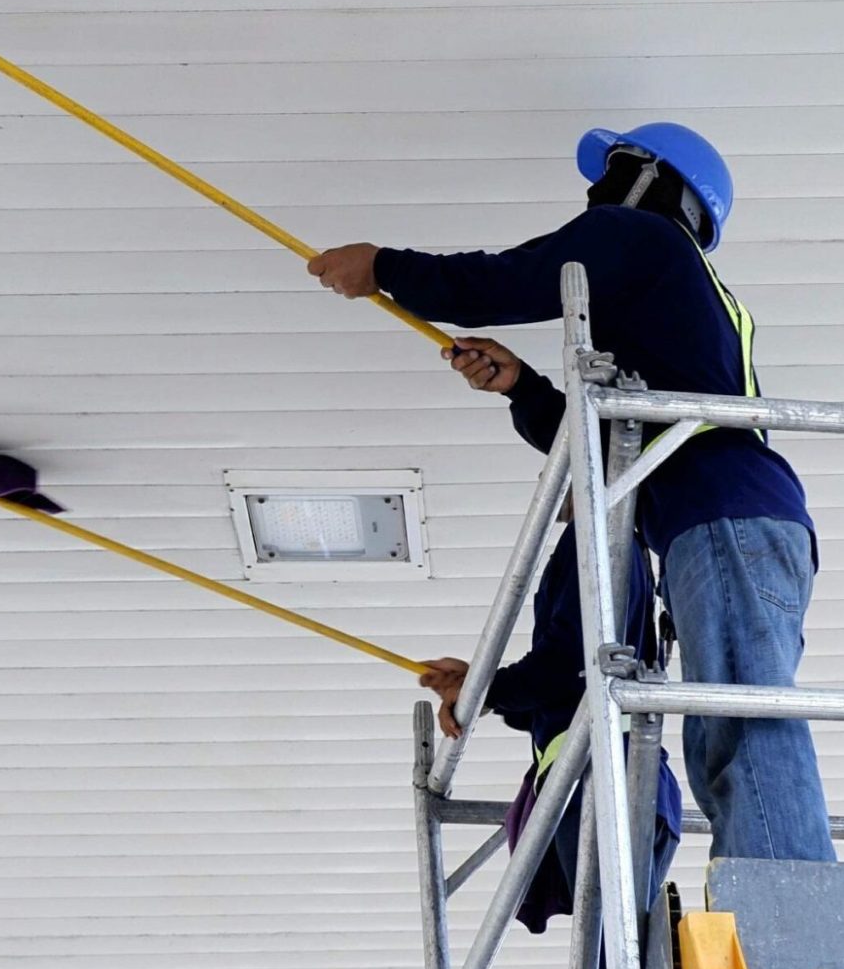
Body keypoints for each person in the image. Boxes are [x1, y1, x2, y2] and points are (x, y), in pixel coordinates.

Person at [308, 121, 835, 863]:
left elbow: (514, 277)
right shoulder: (680, 308)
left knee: (739, 721)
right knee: (726, 722)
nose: (598, 190)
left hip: (720, 512)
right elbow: (613, 441)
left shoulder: (644, 238)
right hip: (729, 514)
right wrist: (522, 387)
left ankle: (789, 927)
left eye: (617, 169)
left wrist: (385, 267)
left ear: (658, 184)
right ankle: (773, 915)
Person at [418, 510, 682, 932]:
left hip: (599, 775)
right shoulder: (611, 544)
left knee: (611, 957)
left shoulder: (595, 536)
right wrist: (483, 689)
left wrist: (487, 689)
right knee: (616, 956)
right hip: (614, 775)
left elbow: (566, 665)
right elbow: (567, 685)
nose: (546, 475)